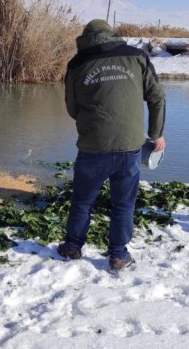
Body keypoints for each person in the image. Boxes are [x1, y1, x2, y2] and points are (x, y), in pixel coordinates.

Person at [57, 19, 165, 271]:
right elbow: (157, 96)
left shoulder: (77, 63)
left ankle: (72, 247)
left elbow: (72, 108)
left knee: (83, 200)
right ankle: (117, 256)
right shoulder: (136, 57)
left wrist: (92, 124)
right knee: (123, 203)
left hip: (92, 145)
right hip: (129, 146)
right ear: (111, 34)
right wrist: (156, 133)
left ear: (85, 38)